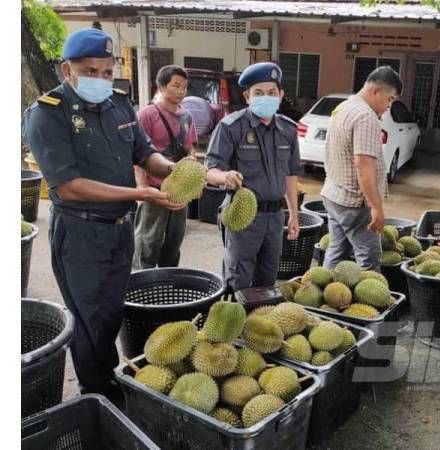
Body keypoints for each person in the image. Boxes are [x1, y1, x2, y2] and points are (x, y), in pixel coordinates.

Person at [21, 28, 185, 403]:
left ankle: (107, 381)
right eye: (90, 70)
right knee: (90, 320)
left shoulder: (119, 104)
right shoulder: (47, 115)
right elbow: (68, 186)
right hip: (80, 233)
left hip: (119, 230)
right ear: (67, 69)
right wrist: (141, 194)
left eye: (107, 72)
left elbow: (146, 155)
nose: (100, 79)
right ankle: (94, 394)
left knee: (111, 313)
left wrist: (179, 171)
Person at [205, 62, 302, 292]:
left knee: (267, 280)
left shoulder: (288, 130)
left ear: (280, 95)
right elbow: (210, 170)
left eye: (271, 92)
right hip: (243, 217)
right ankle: (235, 325)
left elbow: (290, 174)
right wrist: (225, 176)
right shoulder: (231, 127)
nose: (265, 97)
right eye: (258, 93)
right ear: (247, 96)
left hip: (275, 217)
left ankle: (257, 324)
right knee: (238, 280)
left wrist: (294, 214)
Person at [321, 66, 402, 271]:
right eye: (390, 99)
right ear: (376, 91)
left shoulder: (344, 107)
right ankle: (370, 304)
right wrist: (376, 207)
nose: (389, 106)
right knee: (369, 259)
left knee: (336, 252)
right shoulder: (366, 116)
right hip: (353, 203)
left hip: (334, 195)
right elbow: (364, 165)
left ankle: (320, 294)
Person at [133, 65, 196, 270]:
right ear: (161, 86)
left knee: (173, 243)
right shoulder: (147, 115)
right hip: (154, 189)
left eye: (184, 87)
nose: (181, 91)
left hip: (179, 190)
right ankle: (142, 285)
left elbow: (189, 149)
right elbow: (137, 156)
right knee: (147, 243)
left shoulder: (186, 116)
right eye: (176, 85)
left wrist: (194, 183)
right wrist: (143, 191)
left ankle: (168, 282)